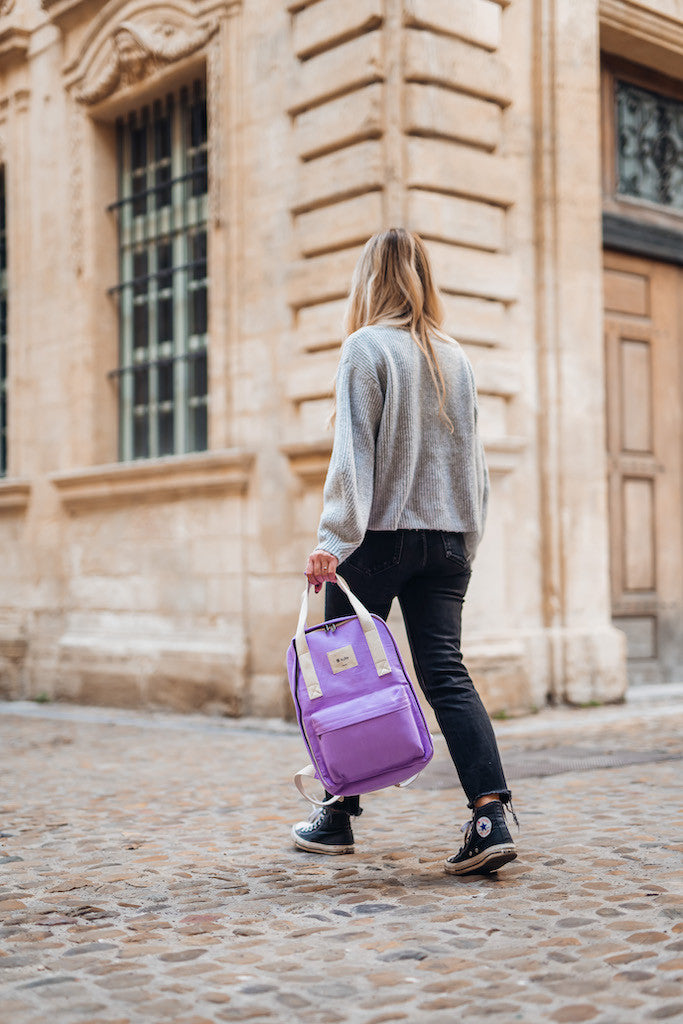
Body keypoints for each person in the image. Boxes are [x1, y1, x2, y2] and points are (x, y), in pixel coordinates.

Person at [291, 228, 517, 875]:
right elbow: (473, 465)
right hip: (447, 543)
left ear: (368, 280)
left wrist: (331, 541)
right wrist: (463, 544)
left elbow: (352, 454)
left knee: (347, 677)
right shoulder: (456, 356)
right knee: (445, 673)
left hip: (376, 543)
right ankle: (488, 815)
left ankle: (336, 818)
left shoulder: (365, 348)